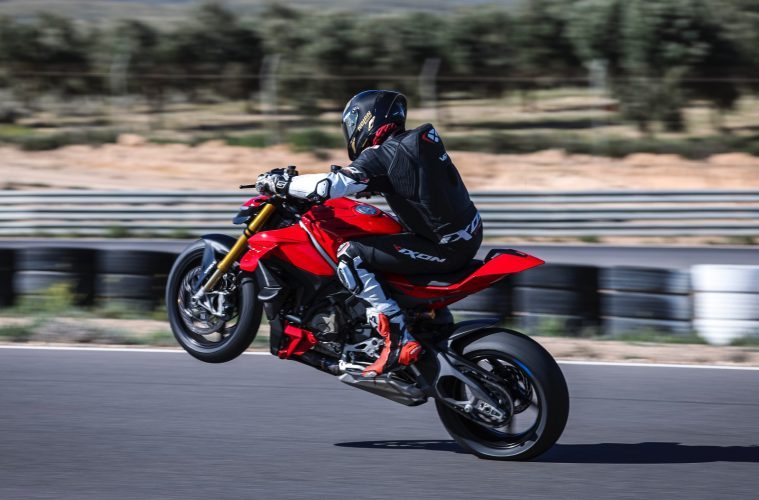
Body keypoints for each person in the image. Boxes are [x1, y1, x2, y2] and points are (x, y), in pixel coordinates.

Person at [256, 90, 482, 377]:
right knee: (385, 230)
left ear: (365, 121)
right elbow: (415, 184)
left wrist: (281, 184)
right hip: (466, 235)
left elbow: (328, 186)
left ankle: (397, 338)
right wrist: (370, 184)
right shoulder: (415, 143)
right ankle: (422, 317)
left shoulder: (382, 153)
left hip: (442, 248)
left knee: (350, 255)